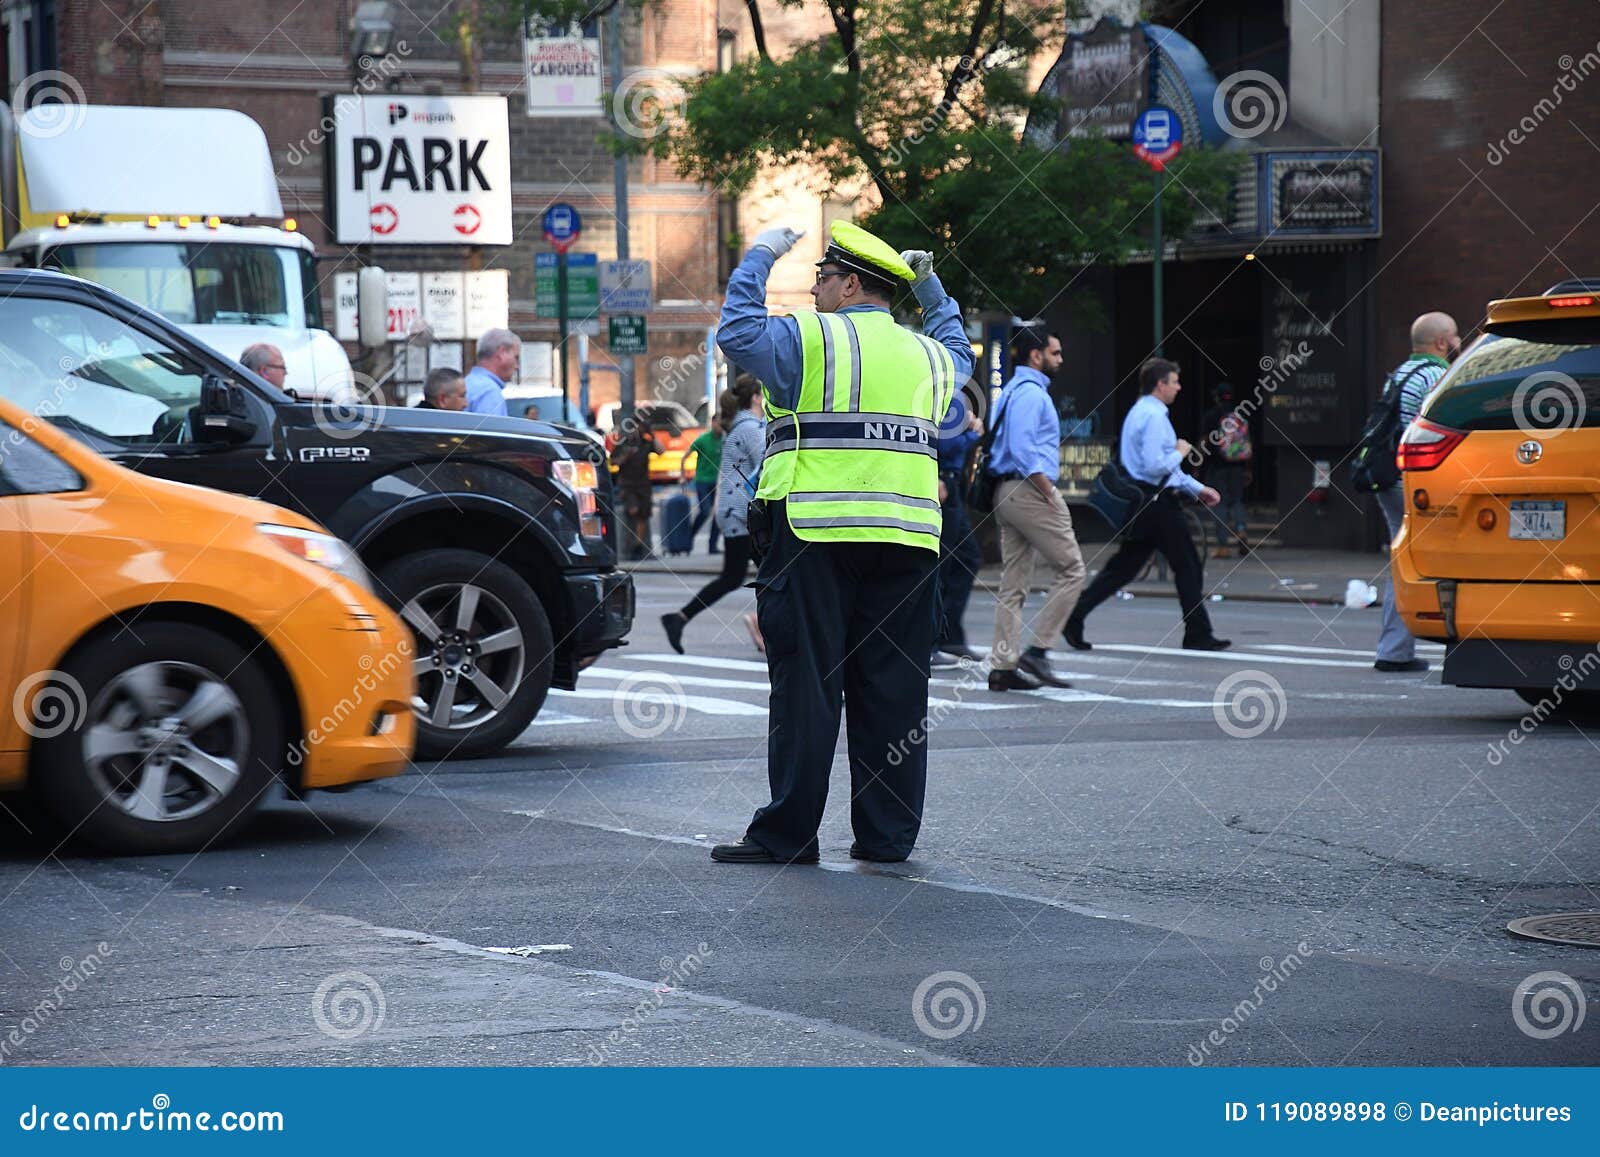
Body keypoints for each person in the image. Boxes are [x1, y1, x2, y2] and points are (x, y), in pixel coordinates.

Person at [708, 219, 973, 866]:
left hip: (815, 534)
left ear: (850, 282)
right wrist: (932, 288)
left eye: (820, 278)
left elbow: (737, 330)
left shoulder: (809, 337)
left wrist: (763, 255)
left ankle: (788, 835)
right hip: (908, 540)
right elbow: (959, 347)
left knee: (807, 686)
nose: (814, 289)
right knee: (895, 693)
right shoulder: (931, 356)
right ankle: (886, 837)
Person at [1065, 358, 1230, 652]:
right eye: (1174, 381)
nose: (1179, 387)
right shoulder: (1154, 417)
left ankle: (1074, 616)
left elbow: (1163, 471)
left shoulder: (1139, 412)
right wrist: (1180, 451)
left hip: (1146, 502)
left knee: (1123, 568)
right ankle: (1197, 632)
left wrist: (1198, 489)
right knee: (1188, 564)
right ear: (1160, 384)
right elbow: (1157, 466)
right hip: (1157, 504)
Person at [985, 326, 1085, 690]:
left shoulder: (1012, 391)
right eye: (1055, 353)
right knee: (1072, 569)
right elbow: (1024, 450)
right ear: (1036, 355)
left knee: (1013, 584)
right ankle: (1039, 651)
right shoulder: (1031, 394)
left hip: (1006, 491)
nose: (1061, 359)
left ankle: (1003, 667)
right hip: (1027, 490)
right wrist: (1048, 491)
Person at [1374, 311, 1459, 673]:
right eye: (1455, 336)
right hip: (1419, 481)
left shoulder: (1398, 375)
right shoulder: (1436, 375)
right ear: (1441, 343)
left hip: (1389, 479)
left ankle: (1393, 651)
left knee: (1402, 560)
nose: (1458, 343)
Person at [661, 377, 766, 654]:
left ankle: (679, 618)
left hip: (736, 512)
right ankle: (763, 624)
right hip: (742, 514)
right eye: (763, 395)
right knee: (773, 574)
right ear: (756, 398)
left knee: (738, 576)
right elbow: (767, 465)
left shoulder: (744, 427)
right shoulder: (750, 429)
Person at [934, 406, 983, 664]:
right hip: (943, 483)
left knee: (966, 558)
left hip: (951, 483)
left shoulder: (954, 394)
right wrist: (973, 433)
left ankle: (949, 636)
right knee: (942, 565)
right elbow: (946, 445)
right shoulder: (948, 393)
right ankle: (933, 643)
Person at [1201, 382, 1251, 557]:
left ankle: (1223, 546)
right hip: (1238, 466)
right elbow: (1246, 443)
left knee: (1220, 503)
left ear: (1216, 397)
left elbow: (1204, 443)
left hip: (1217, 466)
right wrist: (1247, 468)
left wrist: (1198, 466)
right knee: (1237, 500)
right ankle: (1241, 529)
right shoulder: (1240, 415)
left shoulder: (1211, 416)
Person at [683, 418, 725, 555]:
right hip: (702, 481)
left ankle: (712, 546)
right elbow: (685, 457)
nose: (720, 426)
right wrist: (682, 476)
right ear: (713, 423)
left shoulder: (725, 439)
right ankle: (688, 539)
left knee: (717, 514)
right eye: (718, 423)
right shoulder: (703, 439)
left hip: (717, 482)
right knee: (705, 511)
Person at [465, 328, 520, 416]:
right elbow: (491, 429)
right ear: (502, 353)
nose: (517, 366)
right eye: (516, 357)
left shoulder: (468, 382)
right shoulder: (489, 392)